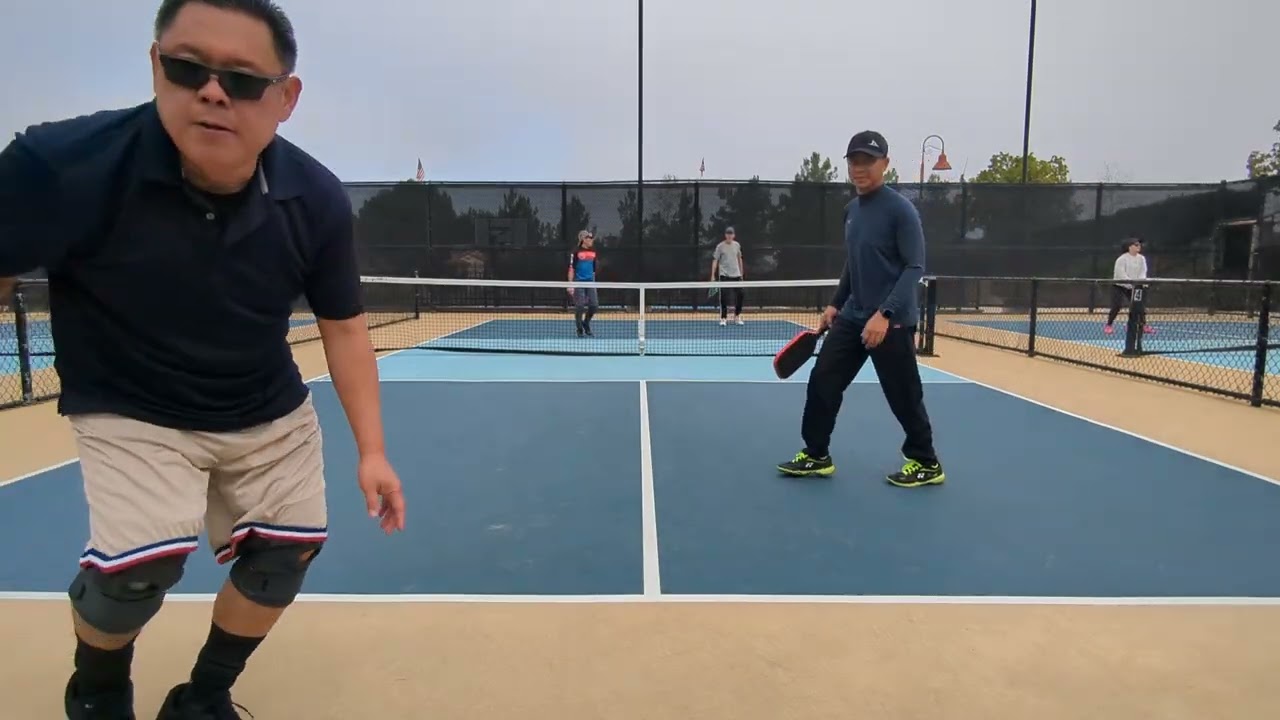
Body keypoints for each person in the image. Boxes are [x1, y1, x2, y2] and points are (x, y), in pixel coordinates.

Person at [0, 1, 408, 718]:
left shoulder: (313, 198)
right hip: (130, 405)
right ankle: (95, 693)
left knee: (284, 560)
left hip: (265, 409)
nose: (213, 91)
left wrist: (372, 451)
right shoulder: (59, 167)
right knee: (134, 574)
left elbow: (344, 327)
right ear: (157, 66)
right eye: (189, 69)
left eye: (244, 80)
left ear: (286, 99)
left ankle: (204, 697)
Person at [776, 130, 944, 488]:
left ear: (885, 164)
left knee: (903, 395)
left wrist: (884, 314)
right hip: (852, 317)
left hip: (891, 323)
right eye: (854, 161)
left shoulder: (901, 210)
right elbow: (853, 264)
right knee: (823, 380)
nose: (860, 168)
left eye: (868, 161)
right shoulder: (851, 211)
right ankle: (816, 454)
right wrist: (836, 304)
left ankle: (925, 461)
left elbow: (915, 267)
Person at [1104, 237, 1154, 336]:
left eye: (1139, 245)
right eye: (1136, 245)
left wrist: (1139, 283)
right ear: (1129, 247)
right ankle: (1108, 325)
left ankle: (1142, 325)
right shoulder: (1121, 259)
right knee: (1117, 306)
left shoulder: (1141, 258)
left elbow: (1143, 272)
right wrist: (1130, 283)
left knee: (1139, 306)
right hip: (1120, 286)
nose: (1139, 246)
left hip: (1135, 285)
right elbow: (1120, 274)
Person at [710, 226, 745, 326]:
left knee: (741, 295)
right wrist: (713, 275)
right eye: (728, 234)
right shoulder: (720, 246)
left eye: (731, 234)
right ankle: (723, 318)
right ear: (725, 235)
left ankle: (737, 316)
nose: (729, 236)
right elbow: (715, 260)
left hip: (736, 275)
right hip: (724, 275)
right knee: (724, 297)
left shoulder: (737, 245)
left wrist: (741, 273)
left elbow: (739, 258)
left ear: (734, 235)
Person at [567, 229, 600, 337]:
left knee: (594, 305)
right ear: (583, 239)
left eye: (591, 238)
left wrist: (594, 282)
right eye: (589, 238)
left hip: (590, 282)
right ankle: (579, 329)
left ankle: (586, 323)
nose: (591, 240)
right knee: (580, 306)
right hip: (578, 282)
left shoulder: (593, 252)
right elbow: (571, 269)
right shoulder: (576, 252)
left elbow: (594, 270)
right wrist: (570, 284)